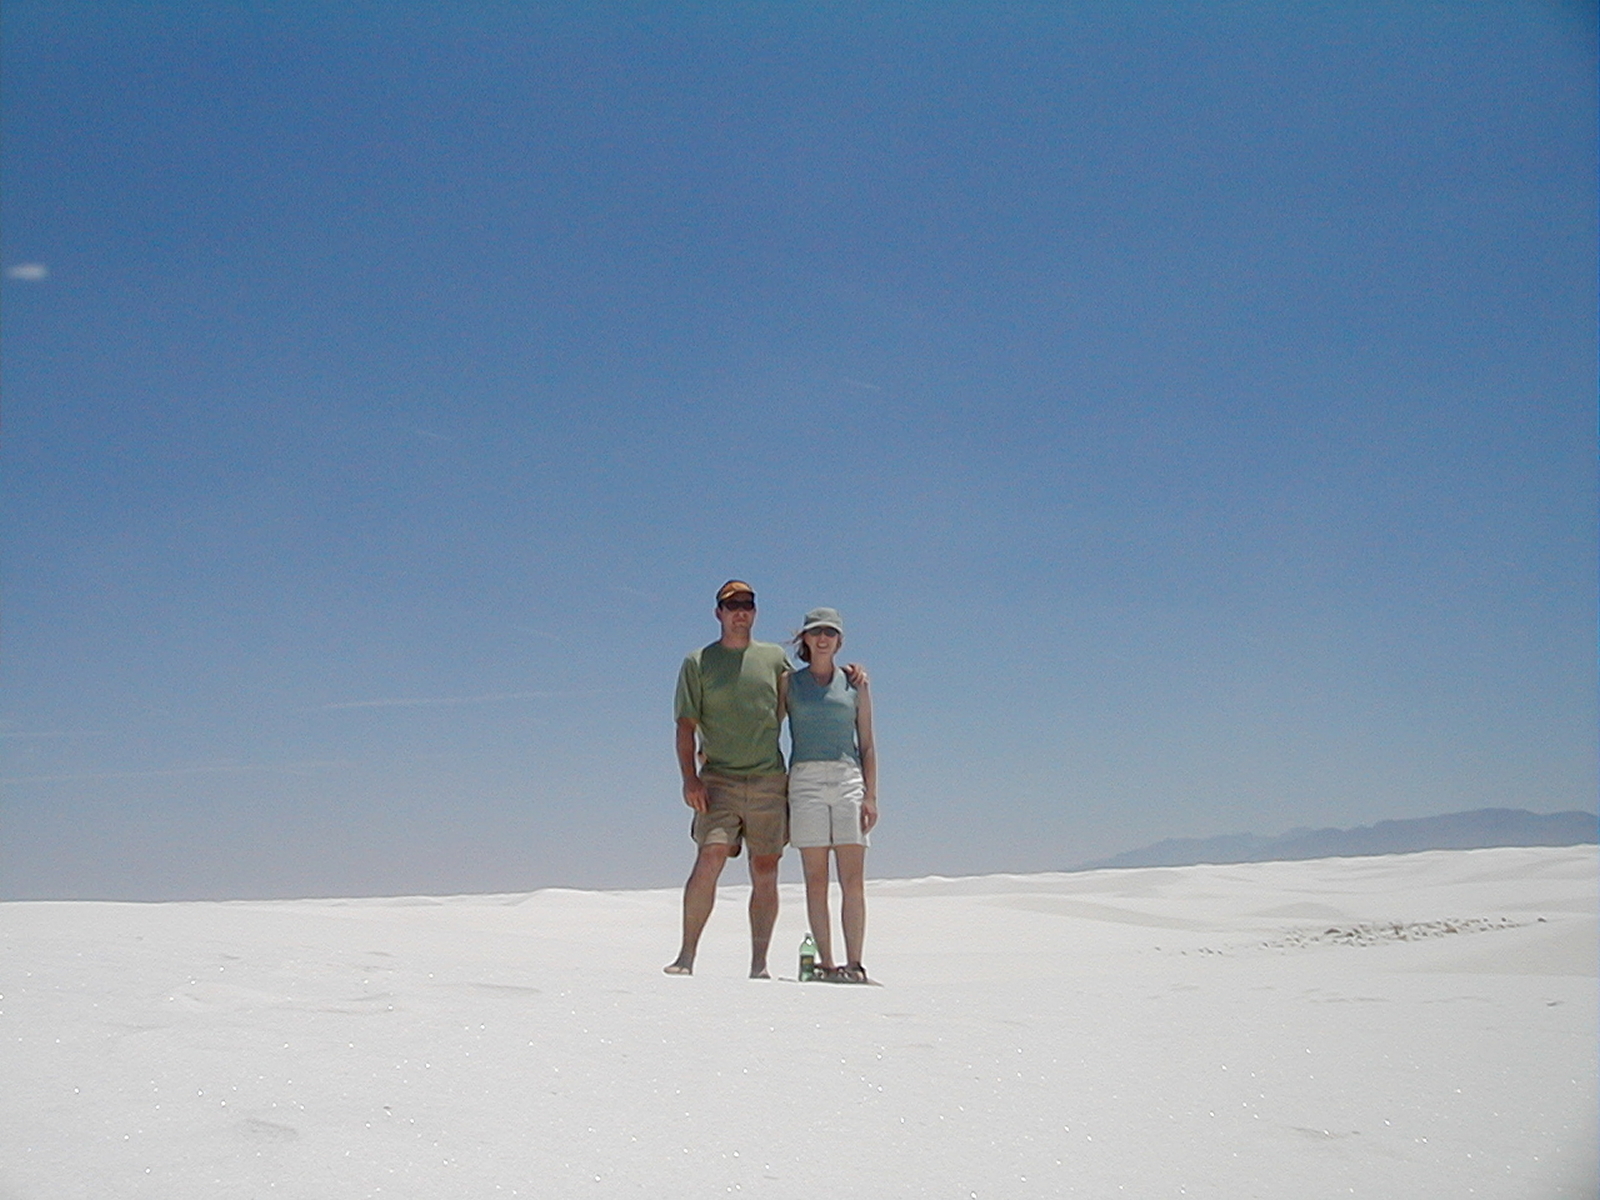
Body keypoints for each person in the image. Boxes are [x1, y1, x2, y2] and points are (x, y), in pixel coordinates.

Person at [665, 580, 792, 978]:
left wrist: (851, 675)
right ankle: (686, 956)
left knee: (766, 868)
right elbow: (686, 726)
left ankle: (759, 965)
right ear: (718, 612)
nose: (741, 612)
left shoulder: (774, 658)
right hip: (718, 781)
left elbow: (802, 698)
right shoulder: (698, 662)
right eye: (732, 605)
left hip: (769, 780)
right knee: (710, 856)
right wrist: (690, 779)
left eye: (748, 605)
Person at [786, 606, 877, 983]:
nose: (822, 638)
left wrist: (871, 796)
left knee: (852, 879)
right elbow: (764, 725)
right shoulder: (788, 683)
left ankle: (854, 964)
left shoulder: (856, 684)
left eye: (830, 632)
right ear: (805, 639)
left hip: (847, 778)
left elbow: (868, 743)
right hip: (804, 778)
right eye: (815, 632)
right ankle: (825, 963)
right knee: (815, 879)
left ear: (840, 640)